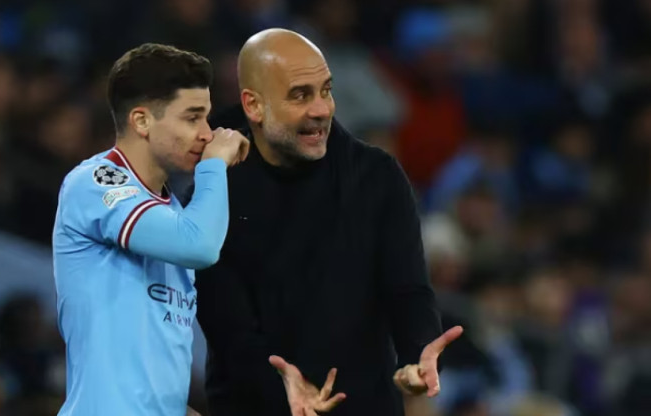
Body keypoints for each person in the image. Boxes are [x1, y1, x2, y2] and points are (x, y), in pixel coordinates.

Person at [195, 29, 463, 416]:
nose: (322, 108)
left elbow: (407, 289)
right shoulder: (215, 183)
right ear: (254, 106)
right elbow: (230, 329)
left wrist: (417, 352)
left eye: (326, 90)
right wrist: (284, 389)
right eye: (300, 95)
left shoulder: (376, 176)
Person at [52, 43, 249, 416]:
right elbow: (202, 247)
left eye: (207, 118)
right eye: (192, 118)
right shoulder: (96, 182)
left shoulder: (172, 213)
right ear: (141, 121)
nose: (208, 134)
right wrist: (214, 167)